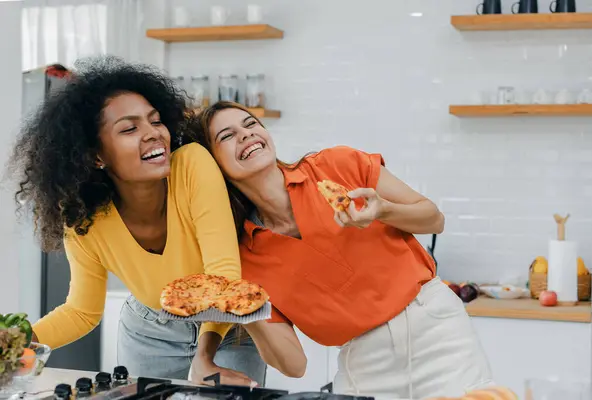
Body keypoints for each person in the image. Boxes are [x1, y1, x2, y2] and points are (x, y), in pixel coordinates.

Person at [7, 57, 297, 384]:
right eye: (130, 129)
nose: (153, 134)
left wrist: (204, 357)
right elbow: (81, 312)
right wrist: (14, 340)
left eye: (155, 121)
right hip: (149, 333)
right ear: (95, 156)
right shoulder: (83, 220)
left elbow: (223, 280)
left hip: (226, 329)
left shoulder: (191, 166)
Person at [188, 101, 495, 399]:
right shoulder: (245, 258)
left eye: (251, 123)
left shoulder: (335, 166)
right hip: (363, 360)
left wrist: (382, 210)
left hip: (435, 330)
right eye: (226, 136)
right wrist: (244, 305)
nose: (246, 134)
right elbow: (295, 365)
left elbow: (433, 218)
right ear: (212, 165)